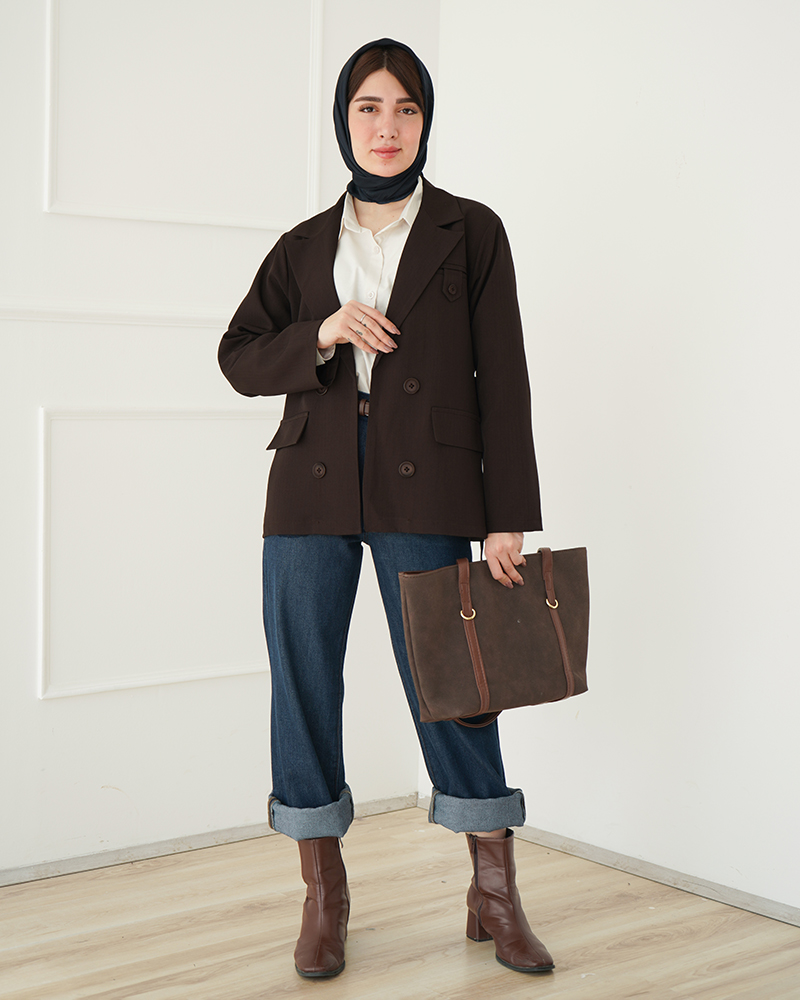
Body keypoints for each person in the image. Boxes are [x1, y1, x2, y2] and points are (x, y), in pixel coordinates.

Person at [218, 38, 553, 979]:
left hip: (430, 481)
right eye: (368, 107)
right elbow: (238, 356)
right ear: (344, 120)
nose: (387, 126)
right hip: (310, 481)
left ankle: (494, 892)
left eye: (405, 108)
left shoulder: (470, 231)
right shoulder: (301, 247)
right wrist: (320, 332)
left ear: (425, 120)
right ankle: (324, 895)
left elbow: (504, 379)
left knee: (456, 682)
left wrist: (506, 514)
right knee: (303, 681)